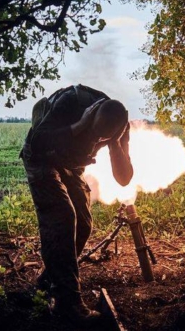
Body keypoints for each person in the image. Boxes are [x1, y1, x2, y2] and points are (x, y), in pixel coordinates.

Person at [20, 85, 133, 325]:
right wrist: (79, 126)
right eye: (95, 133)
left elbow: (124, 178)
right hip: (41, 158)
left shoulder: (120, 128)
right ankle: (68, 304)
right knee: (62, 216)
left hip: (70, 165)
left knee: (83, 224)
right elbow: (38, 140)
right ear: (92, 112)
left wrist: (115, 145)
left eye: (101, 138)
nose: (95, 141)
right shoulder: (70, 102)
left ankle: (47, 284)